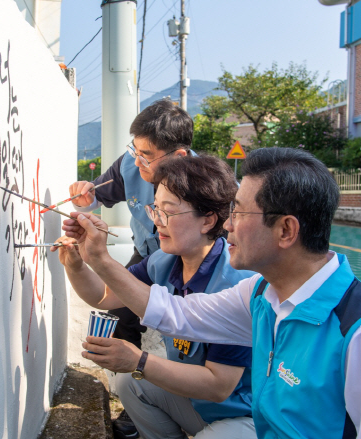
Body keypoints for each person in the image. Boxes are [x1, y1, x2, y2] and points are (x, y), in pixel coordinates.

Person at [63, 147, 361, 439]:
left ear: (285, 231)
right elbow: (175, 314)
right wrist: (91, 260)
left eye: (240, 213)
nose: (227, 225)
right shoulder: (261, 295)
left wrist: (101, 261)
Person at [54, 155, 255, 439]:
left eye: (168, 213)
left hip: (242, 414)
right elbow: (105, 296)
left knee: (139, 373)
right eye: (154, 209)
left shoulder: (235, 283)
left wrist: (140, 360)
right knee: (130, 385)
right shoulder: (163, 261)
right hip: (199, 402)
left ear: (208, 220)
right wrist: (77, 263)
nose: (157, 222)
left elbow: (218, 386)